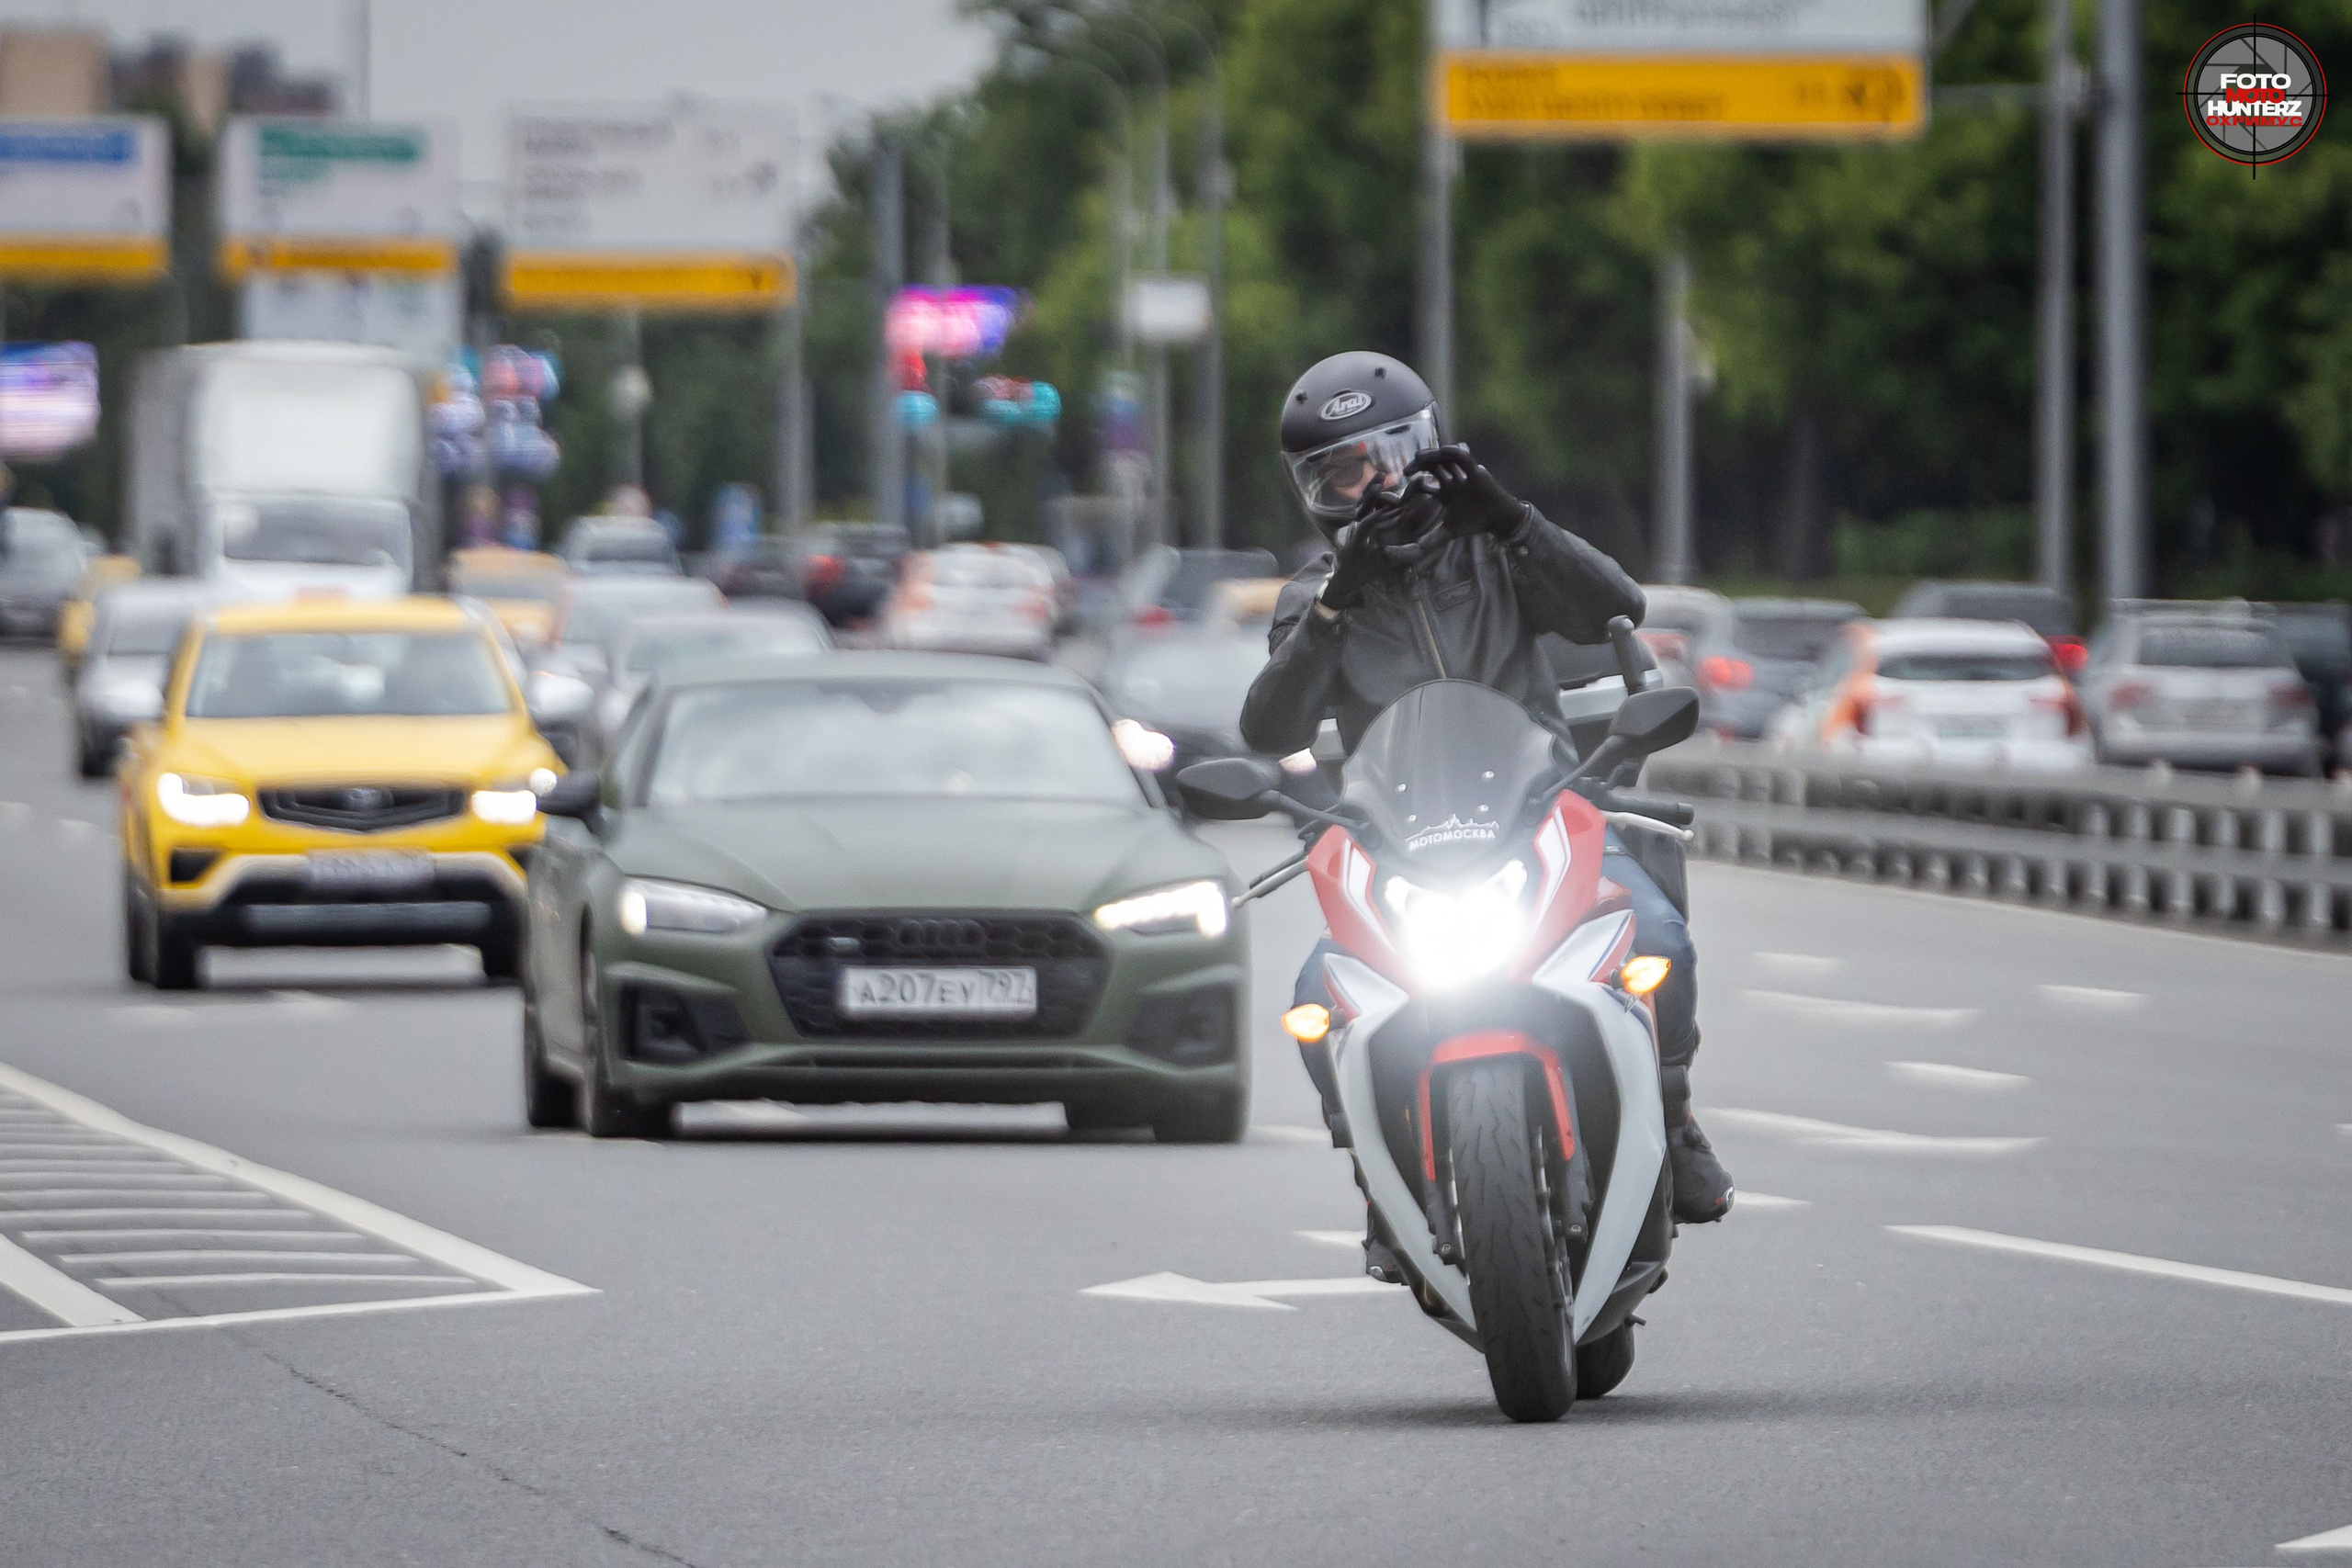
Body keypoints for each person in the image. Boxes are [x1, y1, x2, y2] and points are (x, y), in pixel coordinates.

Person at [1239, 350, 1734, 1256]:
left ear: (1429, 446)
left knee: (1655, 933)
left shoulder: (1495, 550)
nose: (1374, 482)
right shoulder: (1313, 598)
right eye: (1344, 470)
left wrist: (1511, 521)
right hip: (1397, 844)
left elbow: (1611, 606)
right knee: (1319, 995)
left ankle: (1675, 1115)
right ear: (1313, 489)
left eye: (1389, 454)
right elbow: (1269, 728)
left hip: (1541, 810)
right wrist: (1334, 610)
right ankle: (1380, 1187)